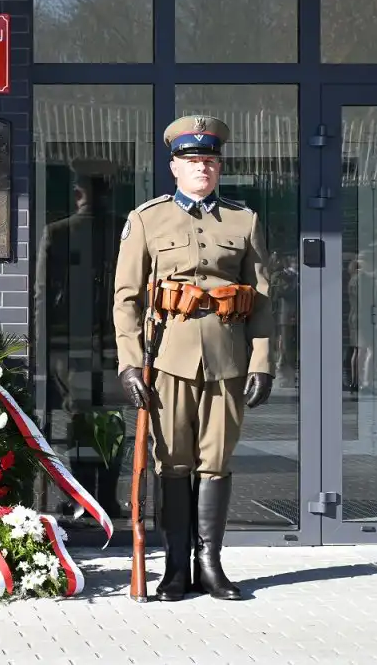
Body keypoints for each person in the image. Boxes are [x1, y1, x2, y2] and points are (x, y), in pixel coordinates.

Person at [112, 115, 273, 602]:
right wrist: (129, 361)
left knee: (216, 461)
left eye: (210, 161)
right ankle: (176, 568)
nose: (203, 168)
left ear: (220, 168)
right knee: (173, 462)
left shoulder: (243, 221)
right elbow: (126, 298)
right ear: (174, 167)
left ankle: (211, 565)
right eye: (193, 161)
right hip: (167, 359)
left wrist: (262, 362)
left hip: (227, 358)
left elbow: (263, 299)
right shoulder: (147, 219)